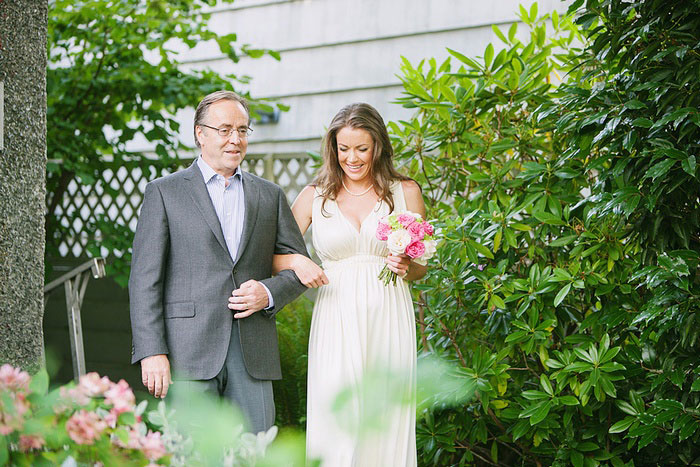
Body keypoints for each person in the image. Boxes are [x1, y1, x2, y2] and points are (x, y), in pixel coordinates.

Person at [128, 90, 309, 434]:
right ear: (200, 133)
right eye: (225, 129)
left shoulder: (269, 195)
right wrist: (152, 351)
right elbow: (144, 281)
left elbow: (298, 268)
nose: (235, 139)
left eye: (242, 130)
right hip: (186, 352)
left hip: (252, 351)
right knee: (192, 454)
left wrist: (267, 294)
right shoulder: (164, 192)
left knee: (256, 452)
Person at [272, 103, 427, 466]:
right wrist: (298, 260)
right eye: (344, 149)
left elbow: (421, 267)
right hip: (336, 313)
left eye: (361, 148)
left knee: (386, 414)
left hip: (388, 311)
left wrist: (406, 265)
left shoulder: (405, 191)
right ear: (333, 148)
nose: (352, 158)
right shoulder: (314, 195)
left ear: (378, 146)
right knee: (336, 412)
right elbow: (274, 256)